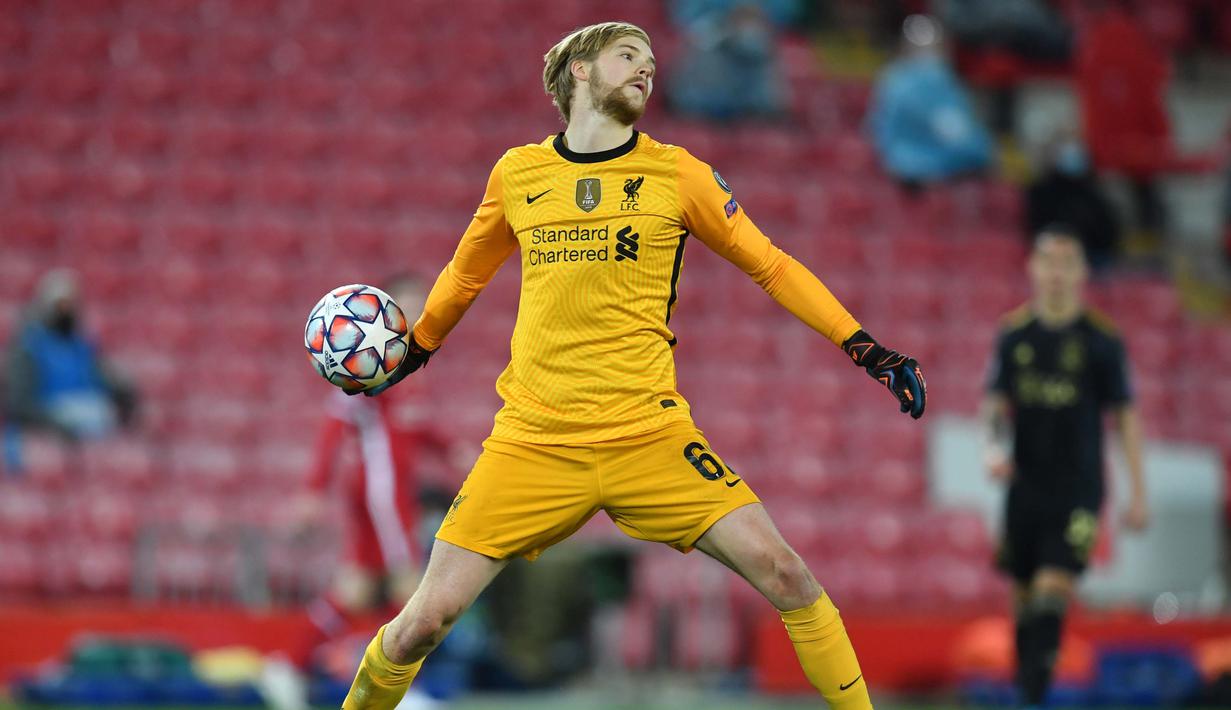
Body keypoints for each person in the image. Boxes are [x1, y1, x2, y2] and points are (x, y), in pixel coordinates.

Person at [341, 22, 927, 710]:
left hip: (649, 437)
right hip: (533, 443)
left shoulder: (678, 174)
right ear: (581, 72)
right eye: (628, 57)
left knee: (786, 573)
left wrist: (862, 344)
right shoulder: (519, 174)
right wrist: (407, 357)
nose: (646, 70)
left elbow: (769, 265)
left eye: (651, 62)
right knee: (420, 624)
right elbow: (461, 280)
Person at [981, 227, 1149, 709]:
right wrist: (992, 452)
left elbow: (1126, 418)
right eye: (1048, 263)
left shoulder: (1101, 340)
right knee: (1024, 595)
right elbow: (993, 407)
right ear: (1033, 269)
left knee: (1055, 584)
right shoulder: (1014, 335)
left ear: (1081, 273)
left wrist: (1138, 493)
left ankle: (1032, 698)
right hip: (1025, 485)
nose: (1056, 274)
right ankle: (1027, 685)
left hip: (1078, 486)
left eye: (1067, 264)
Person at [2, 269, 136, 449]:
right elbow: (19, 404)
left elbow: (100, 380)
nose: (66, 310)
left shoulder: (81, 346)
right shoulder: (29, 347)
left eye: (70, 304)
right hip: (44, 431)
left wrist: (122, 392)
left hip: (85, 423)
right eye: (60, 305)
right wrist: (54, 423)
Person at [866, 14, 994, 190]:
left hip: (947, 170)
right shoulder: (902, 81)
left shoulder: (945, 82)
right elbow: (954, 133)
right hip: (914, 175)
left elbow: (965, 135)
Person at [1024, 129, 1120, 269]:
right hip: (1054, 255)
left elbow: (1108, 231)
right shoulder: (1041, 191)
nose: (1072, 153)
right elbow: (1037, 227)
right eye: (1066, 147)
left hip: (1093, 258)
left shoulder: (1095, 190)